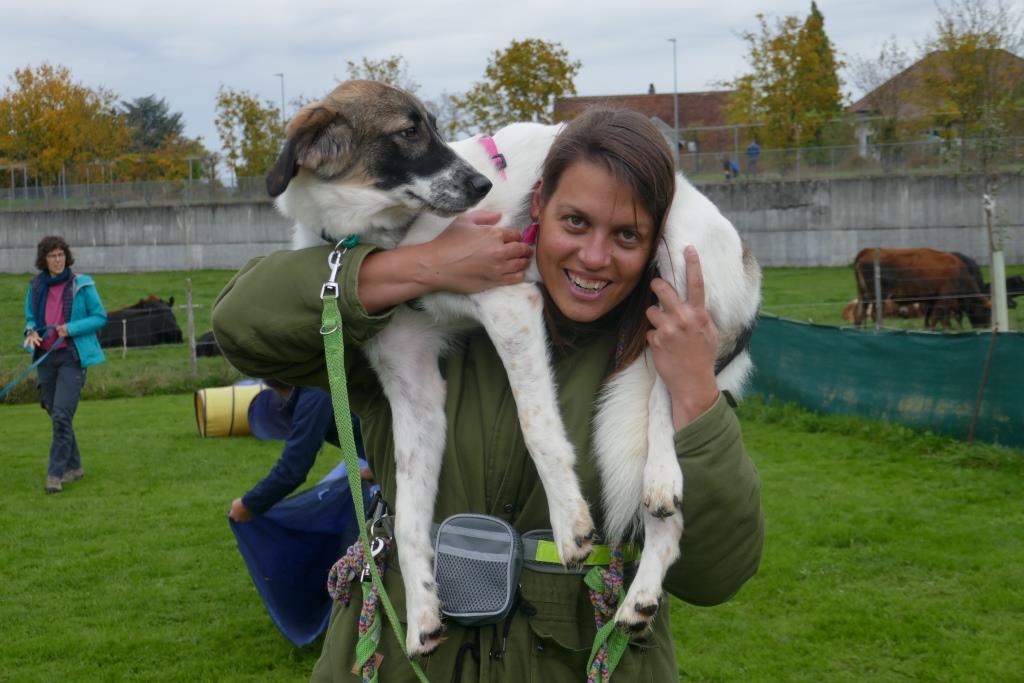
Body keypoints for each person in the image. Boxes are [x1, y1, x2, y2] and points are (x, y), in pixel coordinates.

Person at [212, 108, 763, 681]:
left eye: (627, 235)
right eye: (574, 222)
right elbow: (241, 323)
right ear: (538, 204)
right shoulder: (402, 313)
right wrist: (417, 267)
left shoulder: (666, 360)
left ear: (656, 245)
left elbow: (717, 573)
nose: (594, 258)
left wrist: (697, 393)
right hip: (399, 659)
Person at [23, 235, 107, 494]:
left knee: (61, 414)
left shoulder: (81, 284)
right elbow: (29, 317)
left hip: (72, 357)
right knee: (55, 413)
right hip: (45, 358)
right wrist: (30, 332)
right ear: (44, 260)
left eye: (61, 255)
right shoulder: (36, 286)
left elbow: (99, 317)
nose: (57, 260)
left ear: (66, 257)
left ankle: (55, 473)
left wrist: (69, 328)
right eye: (52, 256)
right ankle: (75, 466)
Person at [228, 381, 373, 522]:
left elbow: (294, 467)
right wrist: (376, 469)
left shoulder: (314, 390)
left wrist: (248, 504)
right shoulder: (313, 387)